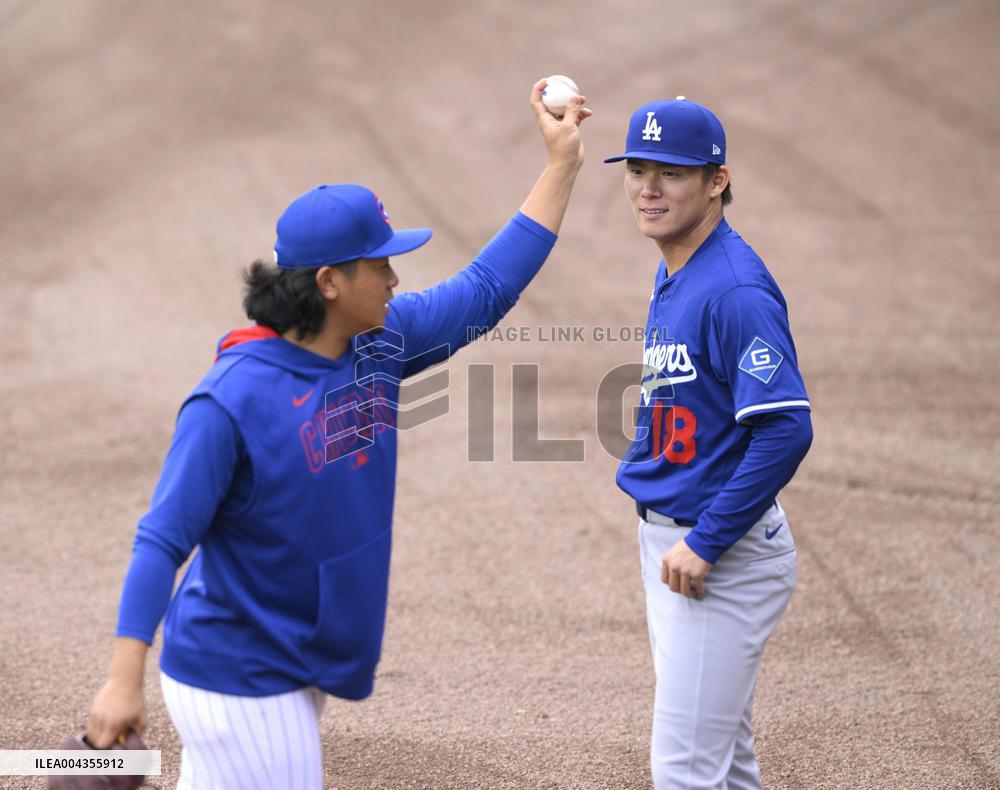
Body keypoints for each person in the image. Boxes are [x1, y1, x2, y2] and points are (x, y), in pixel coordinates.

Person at [85, 80, 590, 789]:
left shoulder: (379, 343)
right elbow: (162, 537)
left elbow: (486, 288)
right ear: (328, 282)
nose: (394, 278)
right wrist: (121, 681)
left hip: (291, 660)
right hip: (240, 673)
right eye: (378, 265)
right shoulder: (231, 400)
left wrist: (562, 164)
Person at [604, 98, 813, 789]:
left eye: (671, 173)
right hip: (679, 549)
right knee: (724, 766)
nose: (649, 189)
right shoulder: (678, 266)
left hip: (719, 557)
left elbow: (786, 427)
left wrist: (707, 540)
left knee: (685, 771)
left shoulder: (734, 291)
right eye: (637, 170)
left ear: (717, 180)